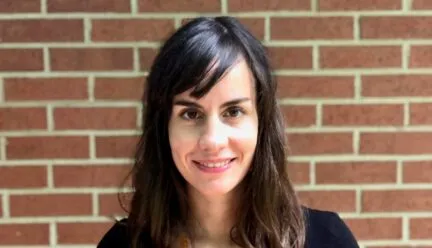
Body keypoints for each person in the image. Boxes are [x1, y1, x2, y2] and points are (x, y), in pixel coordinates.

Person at [97, 16, 359, 248]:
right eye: (191, 114)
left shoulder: (327, 240)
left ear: (261, 122)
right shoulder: (122, 244)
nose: (212, 140)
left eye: (233, 112)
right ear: (163, 127)